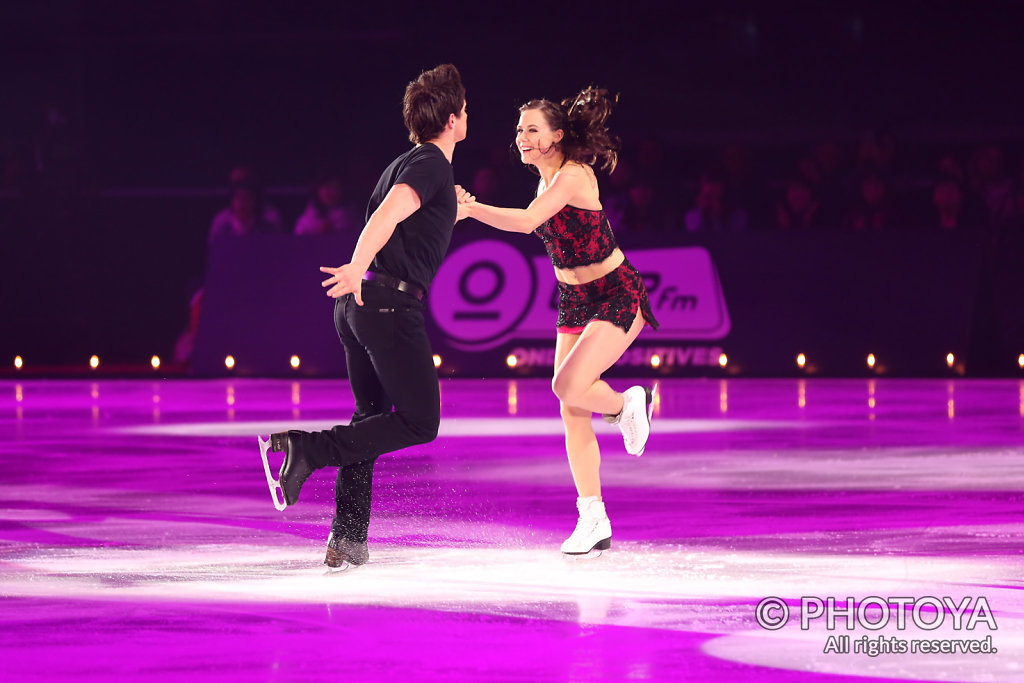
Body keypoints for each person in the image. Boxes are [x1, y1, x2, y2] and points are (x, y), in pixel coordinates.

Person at [257, 64, 469, 570]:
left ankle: (347, 538)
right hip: (388, 304)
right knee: (421, 421)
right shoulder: (433, 164)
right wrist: (355, 265)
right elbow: (389, 212)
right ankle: (304, 449)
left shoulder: (407, 162)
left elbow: (408, 220)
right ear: (455, 118)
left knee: (370, 420)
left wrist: (454, 213)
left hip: (360, 309)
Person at [457, 87, 659, 557]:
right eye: (519, 130)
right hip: (573, 299)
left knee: (567, 385)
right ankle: (593, 517)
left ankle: (627, 403)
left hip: (615, 293)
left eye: (532, 130)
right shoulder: (544, 183)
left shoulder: (572, 177)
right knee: (570, 406)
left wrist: (471, 209)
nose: (522, 137)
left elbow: (528, 222)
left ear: (555, 137)